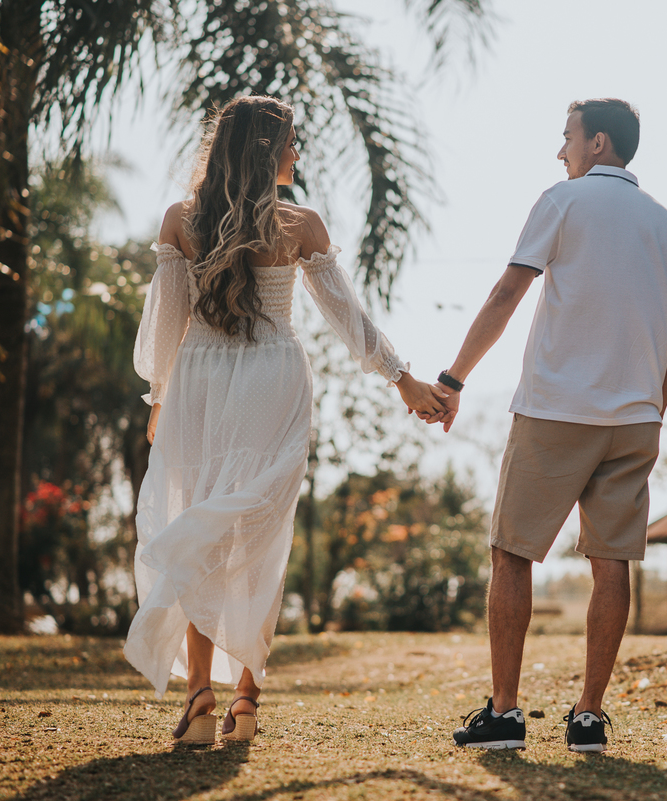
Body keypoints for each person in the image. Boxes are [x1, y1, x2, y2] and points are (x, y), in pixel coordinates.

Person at [123, 95, 446, 745]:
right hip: (274, 379)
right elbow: (347, 319)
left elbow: (165, 330)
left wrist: (161, 398)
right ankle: (246, 698)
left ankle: (199, 698)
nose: (300, 152)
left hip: (201, 380)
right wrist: (402, 379)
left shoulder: (181, 220)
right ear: (266, 149)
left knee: (204, 523)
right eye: (292, 141)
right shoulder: (301, 224)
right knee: (261, 535)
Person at [434, 98, 667, 752]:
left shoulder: (562, 200)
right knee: (612, 562)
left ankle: (504, 712)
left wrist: (454, 377)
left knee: (511, 551)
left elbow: (506, 293)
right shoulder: (666, 223)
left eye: (568, 137)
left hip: (556, 410)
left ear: (598, 143)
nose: (561, 151)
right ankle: (588, 716)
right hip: (635, 420)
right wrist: (653, 408)